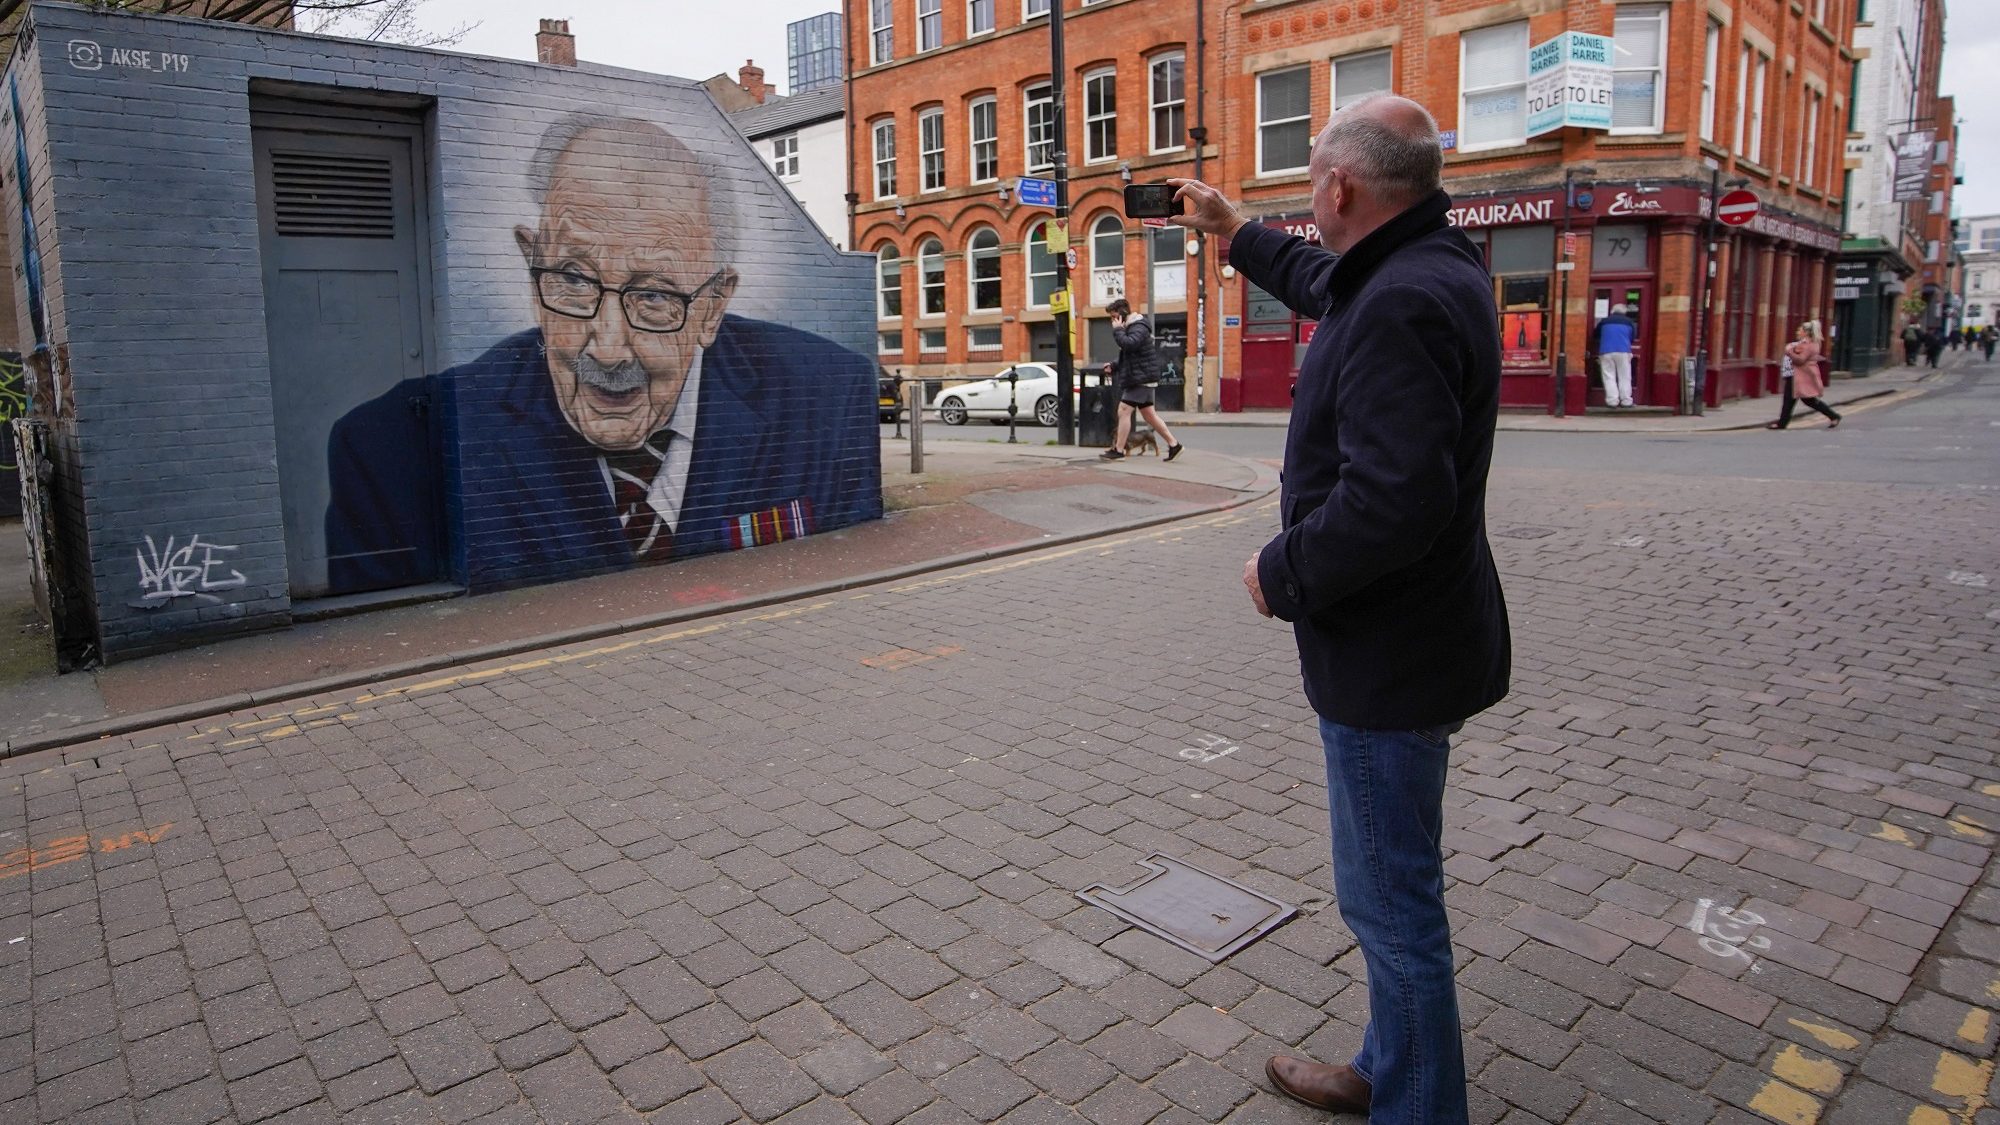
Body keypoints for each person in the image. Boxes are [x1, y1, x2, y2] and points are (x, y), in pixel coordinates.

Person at [1169, 94, 1509, 1125]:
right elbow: (1324, 280)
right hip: (1420, 641)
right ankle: (1383, 1067)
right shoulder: (1425, 268)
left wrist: (1283, 571)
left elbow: (1396, 501)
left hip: (1386, 658)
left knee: (1390, 906)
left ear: (1338, 186)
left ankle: (1415, 1106)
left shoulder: (1401, 300)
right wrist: (1234, 233)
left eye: (1311, 179)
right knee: (1391, 889)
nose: (1309, 198)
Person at [326, 115, 881, 591]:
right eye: (573, 279)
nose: (609, 348)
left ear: (712, 309)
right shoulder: (387, 450)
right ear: (532, 266)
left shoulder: (833, 399)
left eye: (655, 295)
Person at [1098, 298, 1184, 461]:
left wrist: (1117, 330)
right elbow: (1131, 354)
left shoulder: (1138, 327)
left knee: (1123, 410)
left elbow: (1129, 345)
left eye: (1114, 317)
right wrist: (1114, 365)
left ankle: (1119, 450)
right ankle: (1174, 445)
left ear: (1123, 314)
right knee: (1149, 415)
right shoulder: (1131, 328)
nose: (1113, 321)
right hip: (1140, 376)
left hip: (1141, 378)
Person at [1768, 321, 1841, 429]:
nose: (1798, 331)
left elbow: (1800, 360)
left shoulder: (1809, 345)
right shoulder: (1807, 343)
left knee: (1798, 400)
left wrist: (1789, 351)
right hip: (1799, 375)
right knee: (1801, 400)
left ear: (1806, 332)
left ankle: (1834, 416)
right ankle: (1833, 416)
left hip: (1799, 376)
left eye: (1800, 330)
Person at [1592, 303, 1637, 407]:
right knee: (1625, 376)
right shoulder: (1630, 322)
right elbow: (1633, 337)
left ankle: (1612, 401)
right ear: (1624, 312)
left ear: (1612, 311)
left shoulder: (1604, 322)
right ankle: (1626, 401)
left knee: (1609, 376)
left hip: (1606, 351)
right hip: (1623, 351)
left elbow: (1596, 334)